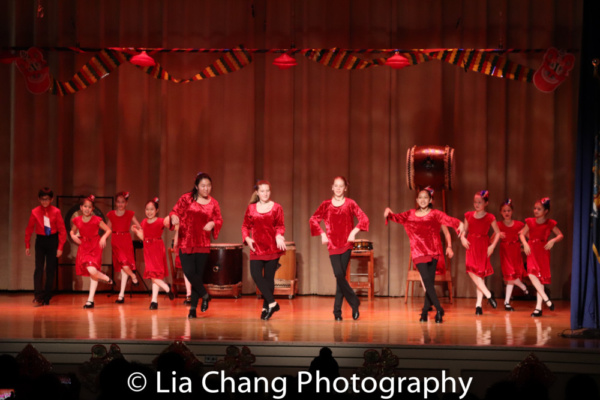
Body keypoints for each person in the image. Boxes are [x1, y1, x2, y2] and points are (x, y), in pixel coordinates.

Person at [384, 187, 463, 323]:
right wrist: (388, 213)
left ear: (430, 200)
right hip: (418, 252)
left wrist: (459, 224)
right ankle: (439, 308)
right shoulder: (410, 214)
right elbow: (396, 217)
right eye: (420, 197)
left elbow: (448, 220)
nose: (422, 200)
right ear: (416, 200)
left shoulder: (435, 213)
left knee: (429, 283)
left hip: (433, 251)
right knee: (426, 279)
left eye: (425, 197)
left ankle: (425, 311)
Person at [310, 176, 369, 321]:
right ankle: (354, 302)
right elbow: (313, 220)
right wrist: (322, 233)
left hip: (346, 245)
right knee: (339, 275)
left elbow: (364, 219)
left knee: (340, 278)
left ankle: (337, 312)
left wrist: (353, 232)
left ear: (345, 188)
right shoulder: (326, 205)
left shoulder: (350, 203)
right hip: (333, 245)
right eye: (335, 185)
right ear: (332, 187)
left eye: (341, 186)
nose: (338, 188)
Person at [168, 172, 223, 319]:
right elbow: (174, 212)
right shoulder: (186, 198)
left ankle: (193, 309)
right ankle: (205, 296)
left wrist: (213, 223)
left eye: (208, 186)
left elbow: (218, 220)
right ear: (197, 186)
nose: (206, 188)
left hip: (203, 243)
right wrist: (173, 217)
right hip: (186, 241)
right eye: (203, 186)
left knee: (197, 275)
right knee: (189, 272)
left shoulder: (213, 203)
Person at [242, 180, 287, 320]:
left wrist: (279, 236)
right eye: (262, 191)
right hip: (256, 248)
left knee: (269, 280)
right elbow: (245, 226)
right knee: (256, 275)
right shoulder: (251, 208)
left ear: (270, 191)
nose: (265, 193)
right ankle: (273, 303)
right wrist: (247, 238)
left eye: (267, 190)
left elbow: (280, 226)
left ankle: (266, 307)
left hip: (272, 248)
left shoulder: (276, 207)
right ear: (257, 192)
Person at [519, 197, 563, 317]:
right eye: (535, 208)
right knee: (532, 274)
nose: (536, 211)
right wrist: (525, 243)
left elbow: (560, 235)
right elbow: (522, 234)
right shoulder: (530, 222)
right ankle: (547, 300)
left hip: (543, 251)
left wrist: (553, 240)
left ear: (546, 211)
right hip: (532, 249)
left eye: (539, 209)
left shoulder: (550, 223)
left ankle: (538, 308)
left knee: (540, 279)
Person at [25, 187, 67, 306]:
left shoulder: (56, 211)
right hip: (41, 241)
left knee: (50, 269)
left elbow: (62, 230)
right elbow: (29, 229)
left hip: (52, 240)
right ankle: (38, 296)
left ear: (51, 199)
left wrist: (60, 247)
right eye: (42, 199)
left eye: (47, 199)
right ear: (39, 199)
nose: (44, 202)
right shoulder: (35, 211)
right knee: (38, 268)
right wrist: (27, 244)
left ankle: (47, 296)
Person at [460, 190, 500, 315]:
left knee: (480, 275)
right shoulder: (468, 215)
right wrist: (462, 238)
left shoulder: (490, 217)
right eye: (475, 202)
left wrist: (492, 246)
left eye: (479, 202)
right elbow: (464, 231)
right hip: (471, 244)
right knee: (471, 271)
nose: (476, 204)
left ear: (486, 203)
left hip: (483, 245)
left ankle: (478, 305)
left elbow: (498, 233)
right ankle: (488, 295)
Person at [70, 195, 113, 308]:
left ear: (93, 209)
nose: (87, 209)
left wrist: (103, 237)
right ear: (81, 207)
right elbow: (72, 231)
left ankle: (104, 279)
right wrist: (73, 236)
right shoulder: (77, 220)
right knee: (91, 272)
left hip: (95, 245)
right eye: (85, 206)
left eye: (89, 207)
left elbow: (108, 230)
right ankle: (91, 300)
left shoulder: (96, 220)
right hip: (84, 246)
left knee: (92, 269)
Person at [131, 198, 174, 310]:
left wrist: (170, 219)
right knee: (151, 274)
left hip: (157, 248)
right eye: (147, 209)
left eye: (152, 209)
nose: (149, 212)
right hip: (148, 248)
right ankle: (167, 288)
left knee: (155, 274)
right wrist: (136, 232)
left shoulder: (160, 221)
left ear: (157, 210)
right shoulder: (144, 222)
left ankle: (154, 301)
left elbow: (171, 226)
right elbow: (143, 237)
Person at [106, 191, 141, 303]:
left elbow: (139, 226)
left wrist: (135, 228)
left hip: (126, 240)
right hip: (116, 241)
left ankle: (121, 295)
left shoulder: (129, 214)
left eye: (123, 202)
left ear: (126, 203)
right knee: (123, 265)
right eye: (118, 202)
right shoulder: (111, 214)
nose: (120, 204)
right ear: (116, 203)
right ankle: (133, 276)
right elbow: (108, 228)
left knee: (124, 266)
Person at [495, 199, 528, 311]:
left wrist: (524, 246)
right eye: (504, 211)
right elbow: (491, 240)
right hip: (505, 251)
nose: (506, 213)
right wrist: (498, 235)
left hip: (515, 251)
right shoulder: (498, 225)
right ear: (501, 212)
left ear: (512, 211)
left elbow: (528, 235)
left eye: (508, 210)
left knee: (512, 276)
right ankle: (522, 286)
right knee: (509, 275)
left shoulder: (519, 224)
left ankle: (507, 302)